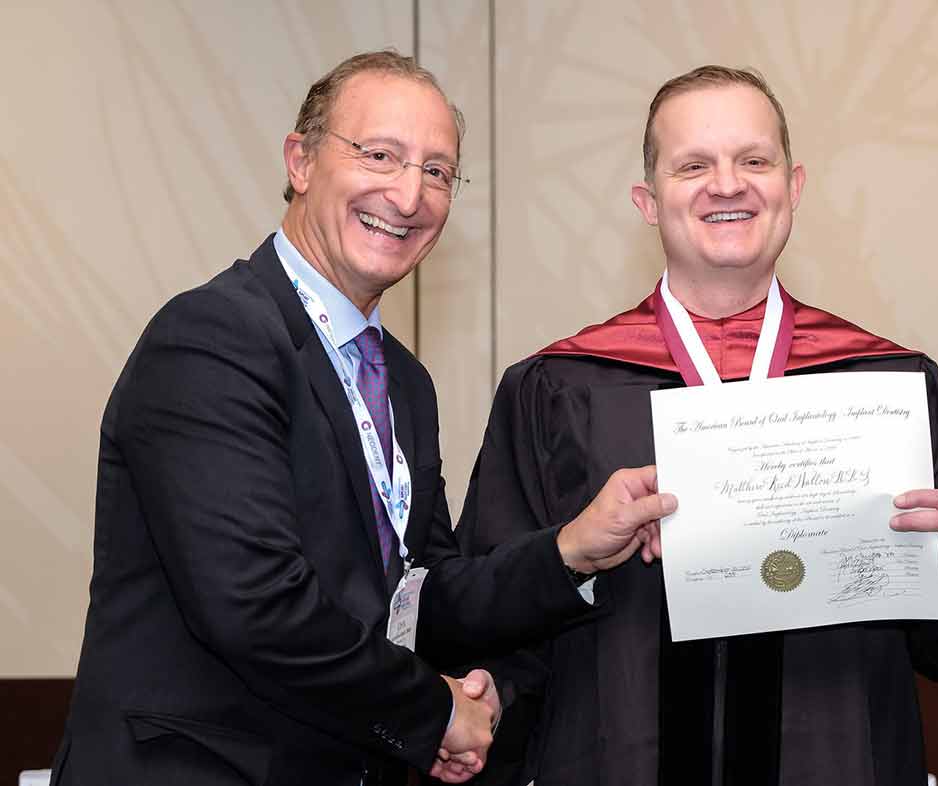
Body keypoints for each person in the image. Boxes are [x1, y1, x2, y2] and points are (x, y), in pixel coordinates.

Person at [49, 51, 674, 786]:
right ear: (302, 161)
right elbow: (258, 608)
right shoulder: (213, 339)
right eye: (380, 155)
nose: (409, 194)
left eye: (438, 172)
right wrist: (435, 713)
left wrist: (571, 548)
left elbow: (425, 596)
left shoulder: (403, 383)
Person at [457, 66, 938, 786]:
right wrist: (569, 559)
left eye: (754, 160)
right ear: (647, 202)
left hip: (839, 763)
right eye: (693, 165)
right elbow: (482, 602)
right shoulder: (558, 389)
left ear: (793, 185)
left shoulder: (883, 384)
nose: (727, 184)